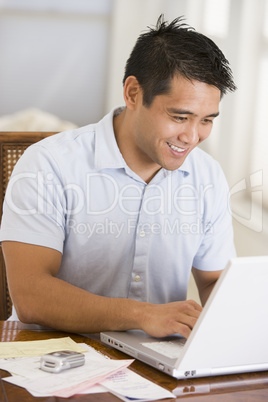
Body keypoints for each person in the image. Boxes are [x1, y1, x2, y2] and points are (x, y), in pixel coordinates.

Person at [0, 15, 236, 338]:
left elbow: (214, 282)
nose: (192, 137)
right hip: (53, 364)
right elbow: (31, 295)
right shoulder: (49, 165)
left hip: (157, 368)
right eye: (180, 117)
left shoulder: (207, 177)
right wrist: (141, 315)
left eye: (207, 120)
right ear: (133, 93)